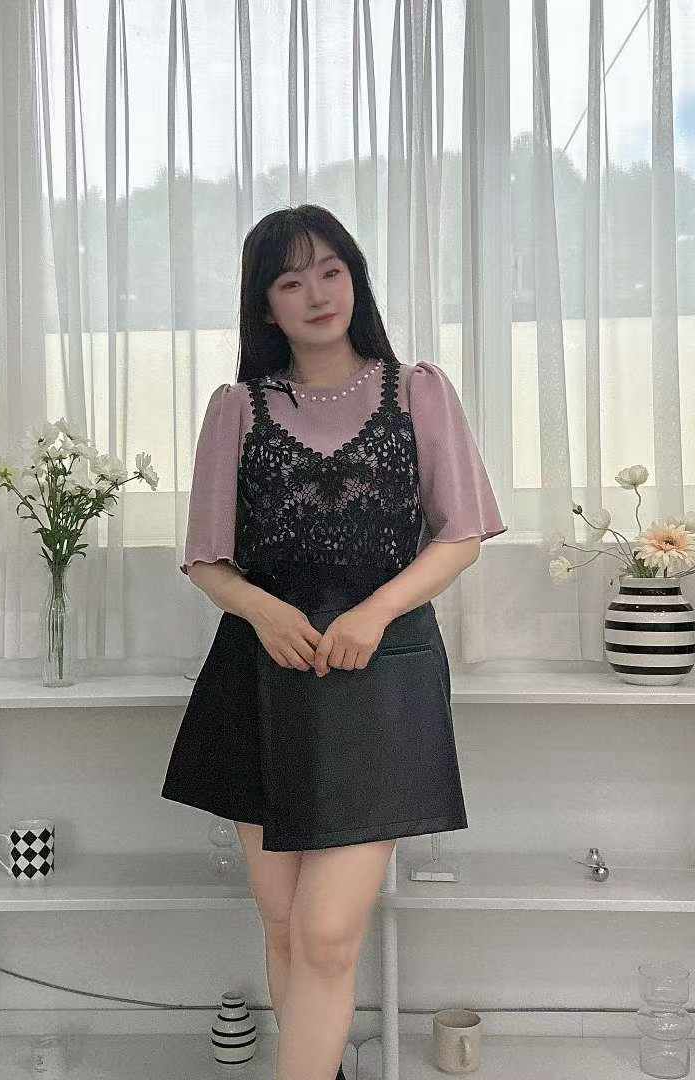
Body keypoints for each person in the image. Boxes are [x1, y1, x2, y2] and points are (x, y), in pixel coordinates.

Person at [161, 204, 507, 1080]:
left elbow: (461, 535)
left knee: (323, 933)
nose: (316, 293)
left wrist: (373, 613)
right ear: (264, 304)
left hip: (381, 681)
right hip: (260, 680)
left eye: (330, 271)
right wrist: (263, 611)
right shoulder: (238, 408)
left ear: (355, 278)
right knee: (283, 923)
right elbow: (206, 560)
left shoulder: (418, 390)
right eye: (290, 280)